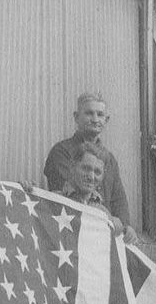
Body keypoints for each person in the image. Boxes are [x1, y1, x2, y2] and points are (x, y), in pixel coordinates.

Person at [43, 92, 132, 227]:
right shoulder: (61, 151)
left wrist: (125, 225)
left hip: (104, 228)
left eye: (100, 115)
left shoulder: (109, 159)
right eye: (89, 113)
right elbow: (68, 196)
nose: (95, 119)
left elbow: (119, 200)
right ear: (76, 117)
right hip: (73, 225)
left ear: (106, 120)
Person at [62, 141, 139, 242]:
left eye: (97, 172)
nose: (91, 177)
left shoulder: (103, 212)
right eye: (86, 169)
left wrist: (127, 233)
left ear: (103, 176)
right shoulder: (54, 202)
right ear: (73, 167)